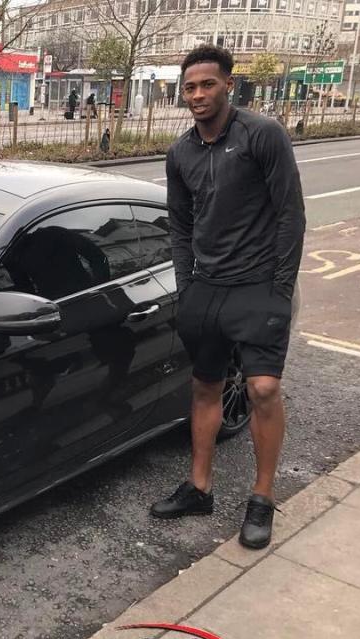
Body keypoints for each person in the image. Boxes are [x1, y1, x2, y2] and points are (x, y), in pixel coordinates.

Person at [149, 45, 305, 550]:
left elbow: (290, 215)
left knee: (261, 389)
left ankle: (261, 499)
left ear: (228, 85)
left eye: (207, 84)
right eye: (190, 87)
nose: (197, 94)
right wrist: (186, 284)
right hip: (205, 290)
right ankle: (200, 488)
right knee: (204, 387)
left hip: (258, 288)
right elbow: (180, 224)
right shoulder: (181, 153)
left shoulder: (262, 136)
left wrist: (280, 290)